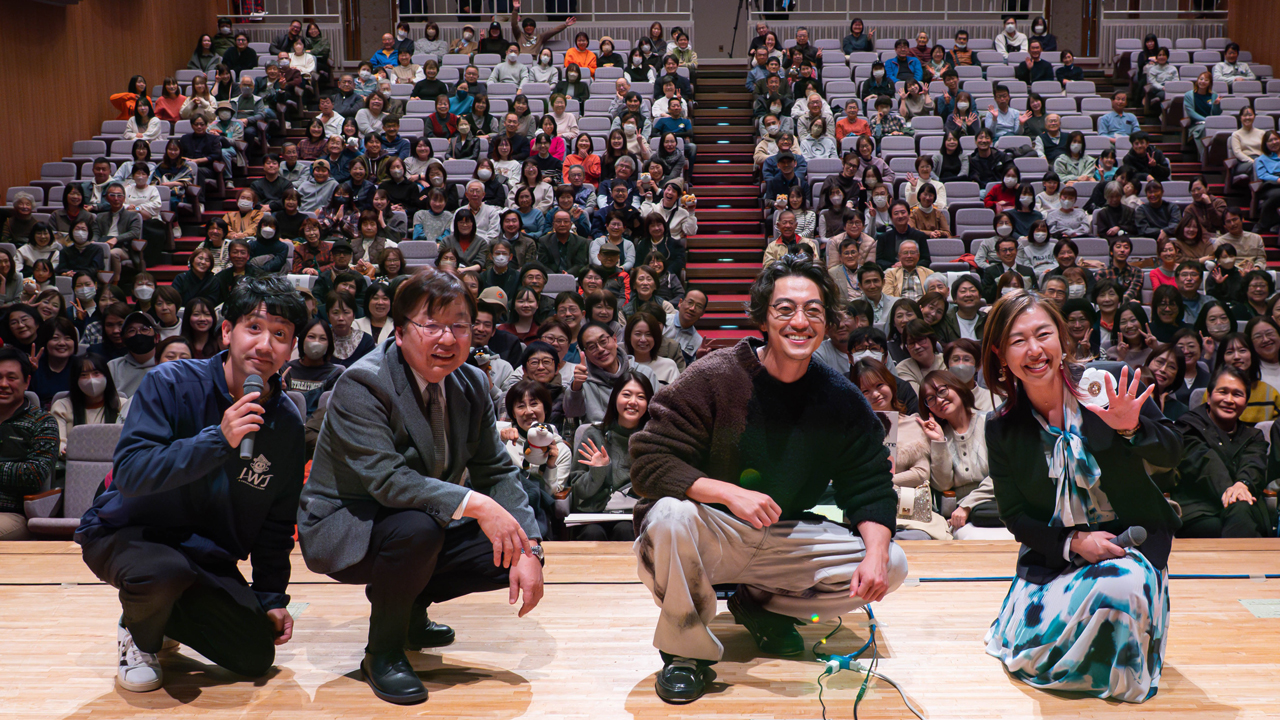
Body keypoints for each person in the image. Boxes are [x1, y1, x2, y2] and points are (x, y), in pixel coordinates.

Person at [629, 255, 907, 703]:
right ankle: (685, 653)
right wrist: (727, 493)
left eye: (813, 311)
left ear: (826, 322)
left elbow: (870, 483)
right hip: (708, 532)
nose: (800, 321)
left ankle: (758, 606)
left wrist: (874, 554)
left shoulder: (839, 397)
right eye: (785, 309)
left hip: (779, 537)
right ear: (762, 317)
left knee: (891, 563)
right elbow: (647, 459)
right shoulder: (714, 375)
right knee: (668, 515)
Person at [298, 269, 545, 705]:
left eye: (459, 325)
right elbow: (388, 482)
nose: (448, 339)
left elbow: (497, 471)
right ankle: (383, 653)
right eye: (432, 325)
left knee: (508, 542)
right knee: (418, 528)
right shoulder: (363, 382)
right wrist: (479, 506)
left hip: (417, 520)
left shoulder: (472, 383)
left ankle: (409, 611)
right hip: (348, 524)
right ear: (401, 330)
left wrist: (530, 549)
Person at [75, 277, 307, 693]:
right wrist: (218, 440)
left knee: (255, 655)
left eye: (281, 334)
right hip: (129, 533)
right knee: (163, 572)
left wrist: (272, 596)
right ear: (226, 331)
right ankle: (139, 635)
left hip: (205, 556)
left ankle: (161, 611)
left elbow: (276, 521)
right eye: (254, 327)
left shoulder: (286, 423)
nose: (265, 344)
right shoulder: (171, 384)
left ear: (291, 349)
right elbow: (131, 473)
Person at [980, 290, 1180, 703]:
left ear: (1061, 338)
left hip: (1129, 546)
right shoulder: (1001, 427)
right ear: (1001, 355)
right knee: (1032, 654)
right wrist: (1074, 543)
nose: (1034, 350)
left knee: (1120, 589)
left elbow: (1173, 451)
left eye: (1043, 334)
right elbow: (1015, 516)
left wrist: (1131, 429)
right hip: (1057, 556)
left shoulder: (1105, 381)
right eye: (1018, 341)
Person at [1170, 365, 1270, 538]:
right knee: (1239, 520)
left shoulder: (1254, 436)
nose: (1229, 399)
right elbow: (1203, 462)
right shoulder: (1187, 426)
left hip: (1244, 507)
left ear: (1245, 403)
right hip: (1200, 510)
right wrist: (1232, 491)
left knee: (1242, 512)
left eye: (1237, 394)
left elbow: (1254, 464)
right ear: (1208, 397)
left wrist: (1243, 484)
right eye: (1223, 392)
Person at [568, 371, 652, 541]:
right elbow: (578, 492)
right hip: (593, 514)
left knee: (625, 530)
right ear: (615, 398)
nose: (633, 402)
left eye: (641, 397)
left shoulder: (653, 439)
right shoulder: (594, 435)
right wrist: (598, 471)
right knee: (593, 534)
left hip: (634, 514)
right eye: (626, 395)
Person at [916, 370, 1000, 537]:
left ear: (958, 387)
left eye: (942, 390)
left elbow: (1002, 474)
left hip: (996, 507)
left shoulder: (991, 423)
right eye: (931, 398)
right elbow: (943, 485)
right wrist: (939, 441)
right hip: (958, 518)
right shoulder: (939, 435)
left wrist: (967, 505)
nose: (939, 400)